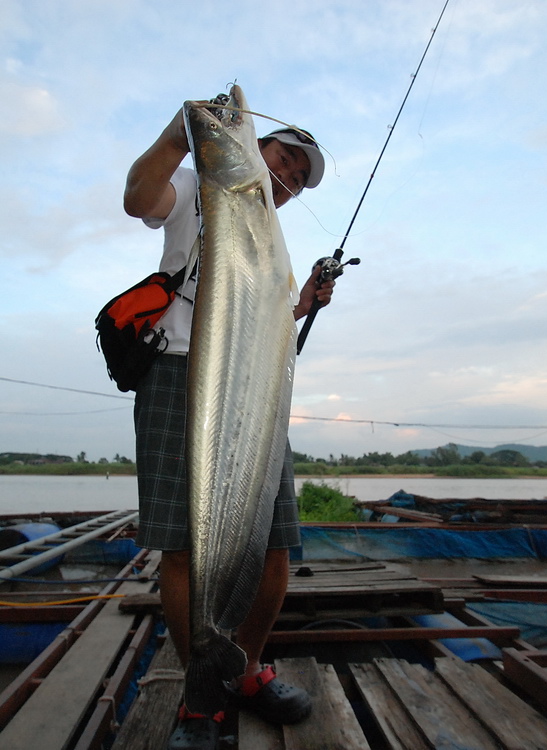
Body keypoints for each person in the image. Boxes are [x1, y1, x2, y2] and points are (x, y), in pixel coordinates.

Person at [124, 101, 334, 750]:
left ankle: (238, 666)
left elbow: (269, 331)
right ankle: (199, 691)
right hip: (177, 377)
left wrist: (303, 306)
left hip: (254, 396)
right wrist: (178, 136)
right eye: (282, 157)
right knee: (183, 546)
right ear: (254, 150)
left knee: (274, 545)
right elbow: (139, 199)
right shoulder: (203, 188)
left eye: (299, 174)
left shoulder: (273, 237)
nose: (287, 175)